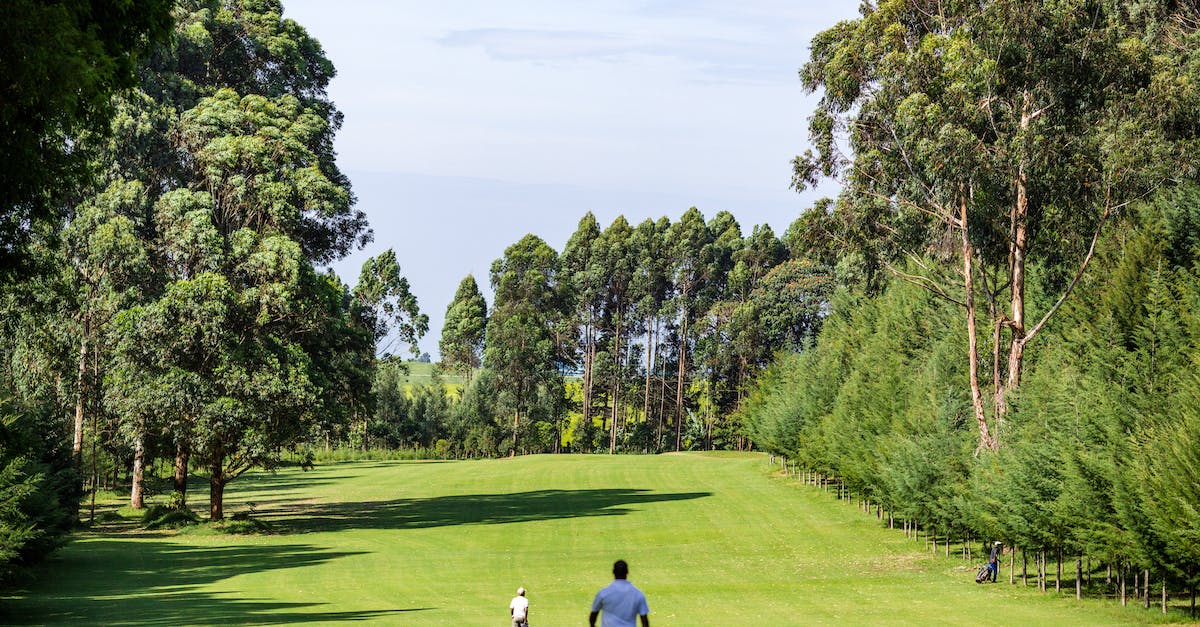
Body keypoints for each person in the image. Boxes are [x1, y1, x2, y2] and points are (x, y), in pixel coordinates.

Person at [589, 559, 650, 627]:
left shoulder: (603, 593)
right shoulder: (638, 594)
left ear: (613, 572)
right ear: (627, 572)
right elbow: (645, 621)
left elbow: (593, 616)